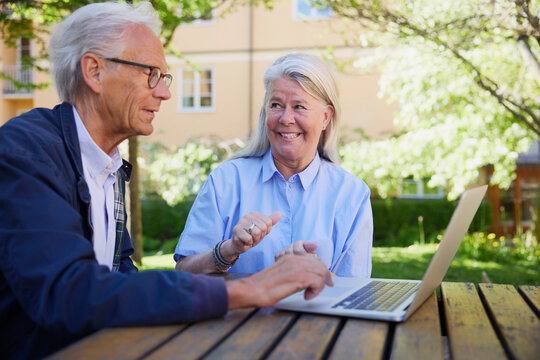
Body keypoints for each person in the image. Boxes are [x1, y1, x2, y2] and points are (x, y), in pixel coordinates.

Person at [0, 3, 333, 359]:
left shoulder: (106, 166)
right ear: (94, 72)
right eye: (150, 74)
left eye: (164, 78)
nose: (165, 93)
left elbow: (121, 279)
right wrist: (247, 290)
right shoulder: (25, 152)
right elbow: (69, 294)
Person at [175, 53, 373, 277]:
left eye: (299, 106)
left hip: (318, 314)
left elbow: (356, 293)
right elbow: (183, 272)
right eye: (276, 105)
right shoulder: (226, 180)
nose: (286, 119)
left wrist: (313, 272)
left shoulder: (352, 194)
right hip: (237, 313)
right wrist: (229, 249)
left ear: (326, 117)